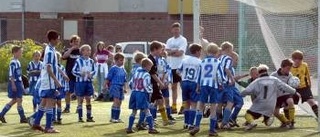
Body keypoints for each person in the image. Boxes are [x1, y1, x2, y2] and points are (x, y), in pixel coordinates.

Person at [241, 64, 297, 131]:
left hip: (260, 104)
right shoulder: (274, 79)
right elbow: (285, 86)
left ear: (259, 72)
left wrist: (241, 95)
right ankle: (287, 122)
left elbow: (247, 90)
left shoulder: (257, 81)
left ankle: (252, 123)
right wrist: (294, 92)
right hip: (271, 105)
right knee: (270, 117)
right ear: (267, 71)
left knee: (248, 114)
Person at [189, 43, 224, 136]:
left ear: (207, 52)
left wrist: (198, 86)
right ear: (216, 52)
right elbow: (219, 75)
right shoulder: (217, 62)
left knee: (200, 105)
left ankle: (196, 126)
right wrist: (221, 84)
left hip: (203, 85)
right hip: (214, 86)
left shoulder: (202, 62)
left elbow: (199, 75)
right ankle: (212, 130)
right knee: (213, 108)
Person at [32, 30, 62, 133]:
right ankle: (48, 127)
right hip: (49, 82)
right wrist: (56, 81)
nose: (59, 40)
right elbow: (49, 68)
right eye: (58, 38)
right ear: (53, 39)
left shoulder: (50, 49)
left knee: (43, 102)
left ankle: (36, 123)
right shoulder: (49, 51)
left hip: (46, 81)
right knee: (50, 103)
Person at [126, 58, 159, 134]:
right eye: (150, 67)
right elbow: (146, 85)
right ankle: (151, 128)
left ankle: (129, 128)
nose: (150, 69)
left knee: (134, 111)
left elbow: (130, 83)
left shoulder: (136, 72)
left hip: (134, 93)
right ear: (147, 66)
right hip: (142, 94)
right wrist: (150, 91)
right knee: (147, 110)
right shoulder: (146, 74)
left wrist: (134, 89)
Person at [148, 41, 174, 126]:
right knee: (152, 102)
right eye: (160, 50)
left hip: (155, 84)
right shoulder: (150, 59)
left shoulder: (155, 59)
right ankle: (149, 120)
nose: (161, 52)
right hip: (152, 84)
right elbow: (152, 74)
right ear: (155, 49)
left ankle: (164, 120)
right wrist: (160, 83)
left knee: (160, 100)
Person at [0, 46, 27, 123]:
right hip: (15, 83)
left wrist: (22, 84)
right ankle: (22, 118)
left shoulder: (17, 61)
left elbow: (19, 75)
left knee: (15, 100)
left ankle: (1, 114)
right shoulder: (13, 62)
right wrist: (13, 84)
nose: (21, 53)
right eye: (20, 52)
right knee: (19, 100)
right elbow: (11, 74)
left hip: (18, 83)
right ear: (15, 52)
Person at [178, 43, 202, 130]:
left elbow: (178, 71)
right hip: (193, 83)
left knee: (186, 103)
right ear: (196, 51)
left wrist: (183, 76)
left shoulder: (184, 60)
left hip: (184, 82)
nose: (200, 53)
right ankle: (191, 124)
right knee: (193, 104)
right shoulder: (200, 62)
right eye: (200, 51)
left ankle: (185, 123)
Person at [165, 22, 188, 114]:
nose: (176, 31)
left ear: (180, 30)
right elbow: (166, 52)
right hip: (172, 66)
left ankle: (184, 105)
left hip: (181, 66)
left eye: (177, 29)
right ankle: (174, 106)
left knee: (183, 86)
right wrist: (174, 51)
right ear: (172, 30)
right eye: (174, 29)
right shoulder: (169, 40)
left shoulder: (183, 40)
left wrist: (172, 52)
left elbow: (180, 53)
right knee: (173, 87)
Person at [290, 50, 318, 118]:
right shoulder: (289, 66)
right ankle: (290, 121)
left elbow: (307, 76)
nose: (299, 60)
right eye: (297, 59)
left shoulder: (304, 65)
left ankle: (318, 117)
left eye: (300, 59)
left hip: (305, 88)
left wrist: (309, 86)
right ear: (293, 59)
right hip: (294, 89)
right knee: (289, 103)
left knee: (312, 102)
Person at [271, 59, 298, 128]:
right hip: (276, 96)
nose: (289, 70)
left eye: (290, 68)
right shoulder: (273, 75)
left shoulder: (290, 75)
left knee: (290, 101)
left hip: (286, 95)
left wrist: (295, 88)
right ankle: (285, 122)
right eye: (288, 68)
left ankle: (292, 121)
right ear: (282, 67)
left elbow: (290, 86)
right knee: (275, 113)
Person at [72, 44, 96, 122]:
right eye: (87, 50)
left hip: (88, 82)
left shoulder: (91, 61)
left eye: (90, 50)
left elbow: (94, 70)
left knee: (88, 99)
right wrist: (80, 74)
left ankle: (89, 116)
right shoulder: (78, 60)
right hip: (80, 83)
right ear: (82, 51)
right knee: (80, 99)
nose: (89, 51)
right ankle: (80, 117)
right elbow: (73, 71)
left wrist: (91, 74)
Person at [218, 41, 236, 129]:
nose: (232, 51)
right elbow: (226, 69)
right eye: (231, 49)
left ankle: (217, 122)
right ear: (228, 49)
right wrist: (232, 78)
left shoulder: (219, 58)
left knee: (220, 103)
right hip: (226, 83)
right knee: (230, 103)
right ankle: (224, 122)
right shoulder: (228, 58)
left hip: (218, 83)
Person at [62, 35, 81, 113]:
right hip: (69, 75)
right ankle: (67, 107)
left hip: (78, 76)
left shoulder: (81, 51)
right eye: (74, 42)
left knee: (79, 92)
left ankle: (79, 108)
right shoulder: (68, 50)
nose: (76, 43)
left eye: (77, 41)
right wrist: (72, 48)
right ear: (71, 43)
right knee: (68, 92)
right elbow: (63, 56)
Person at [106, 53, 127, 123]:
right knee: (116, 101)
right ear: (116, 60)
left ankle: (117, 118)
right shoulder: (113, 68)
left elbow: (125, 80)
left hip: (121, 87)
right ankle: (113, 118)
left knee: (120, 102)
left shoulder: (123, 69)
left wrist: (125, 88)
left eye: (123, 60)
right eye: (121, 60)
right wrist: (105, 85)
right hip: (115, 86)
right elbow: (108, 78)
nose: (122, 62)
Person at [158, 44, 175, 121]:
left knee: (167, 100)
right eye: (162, 49)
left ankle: (169, 115)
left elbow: (167, 72)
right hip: (158, 84)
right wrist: (160, 82)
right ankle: (153, 117)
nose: (163, 51)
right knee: (157, 101)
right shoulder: (155, 60)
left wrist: (168, 81)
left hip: (164, 84)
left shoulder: (164, 60)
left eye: (164, 49)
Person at [53, 52, 69, 124]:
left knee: (59, 102)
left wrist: (66, 87)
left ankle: (59, 117)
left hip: (60, 87)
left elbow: (65, 78)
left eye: (58, 58)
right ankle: (53, 117)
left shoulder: (62, 67)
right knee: (53, 102)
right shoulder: (52, 67)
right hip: (53, 87)